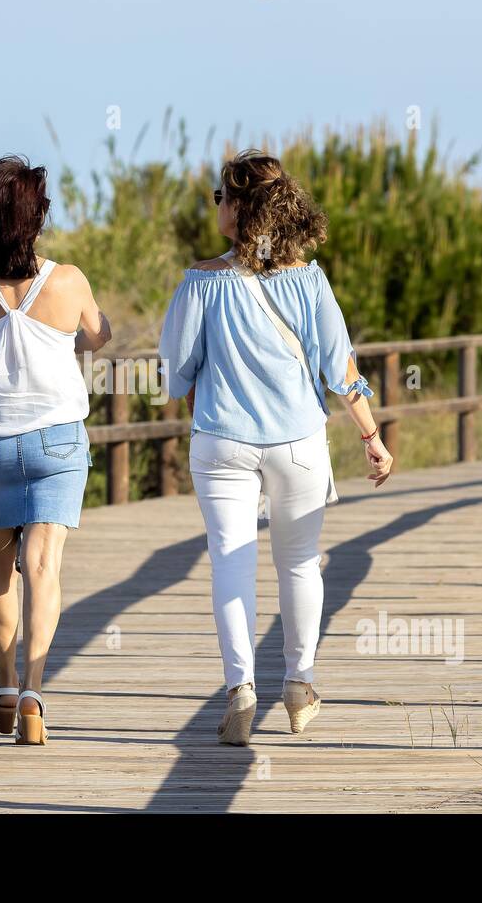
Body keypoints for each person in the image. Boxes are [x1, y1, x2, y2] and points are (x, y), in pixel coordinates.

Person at [159, 150, 393, 746]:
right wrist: (371, 436)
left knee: (230, 562)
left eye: (221, 197)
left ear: (239, 209)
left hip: (221, 443)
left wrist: (206, 387)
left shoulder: (200, 282)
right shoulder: (310, 280)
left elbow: (175, 377)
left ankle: (240, 690)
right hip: (299, 444)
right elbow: (340, 368)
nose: (217, 206)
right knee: (299, 562)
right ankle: (298, 684)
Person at [0, 155, 111, 745]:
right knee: (44, 568)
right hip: (56, 441)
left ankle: (5, 684)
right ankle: (36, 690)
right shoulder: (68, 280)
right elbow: (97, 334)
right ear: (37, 218)